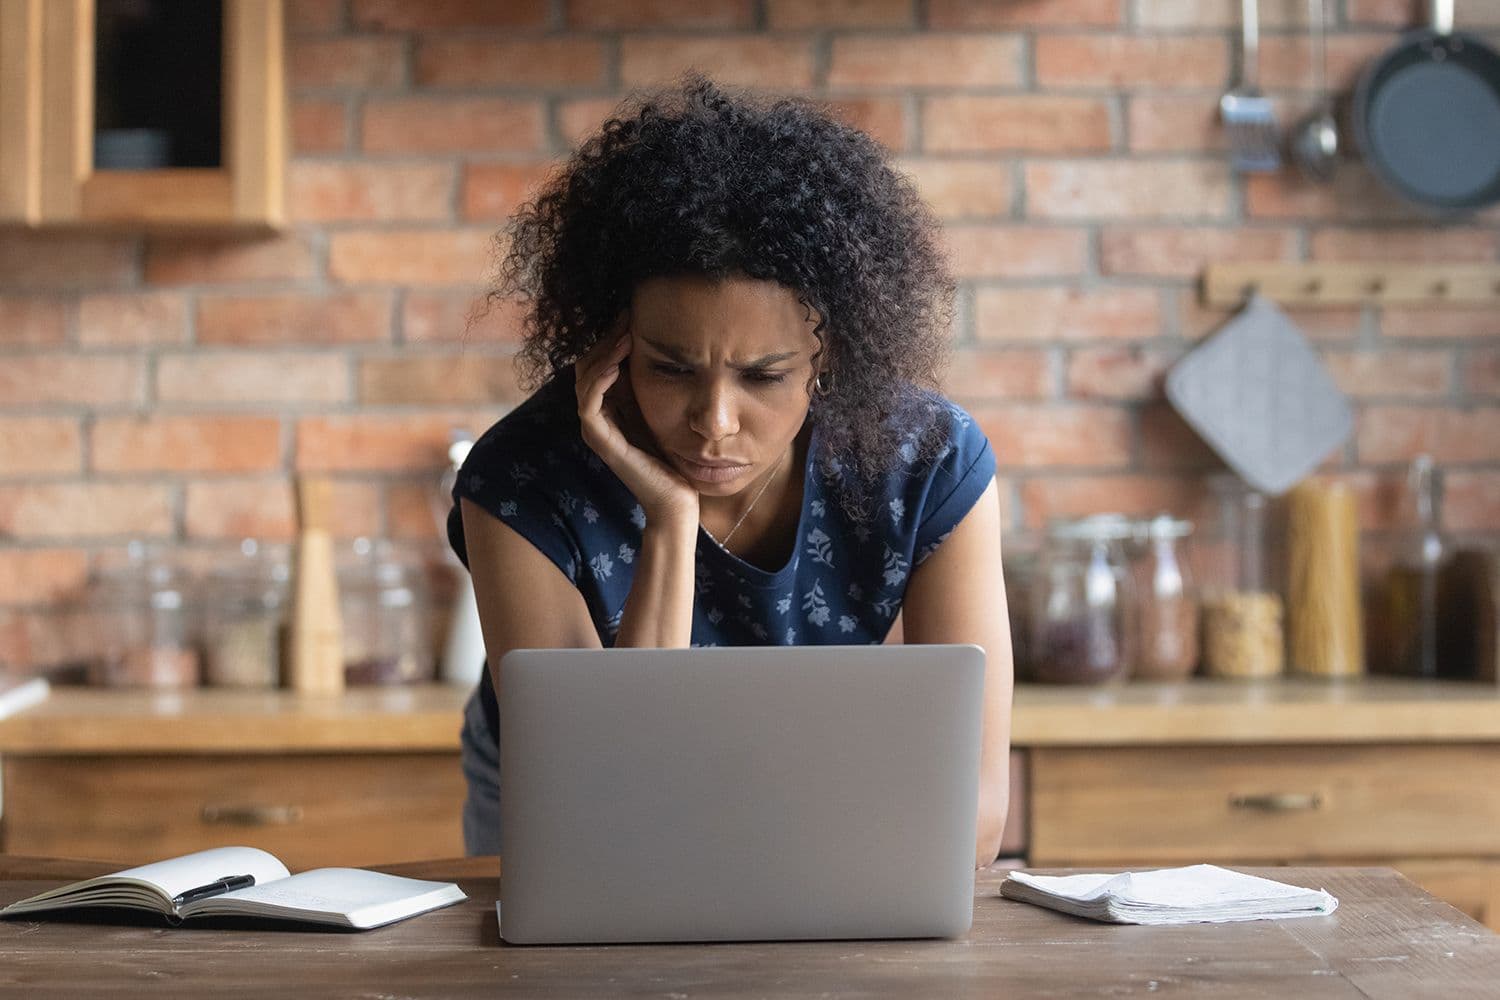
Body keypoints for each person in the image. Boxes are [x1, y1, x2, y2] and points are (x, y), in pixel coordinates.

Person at [449, 76, 1014, 868]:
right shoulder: (523, 480)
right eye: (672, 369)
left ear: (831, 357)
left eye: (764, 376)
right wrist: (670, 525)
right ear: (615, 342)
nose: (714, 422)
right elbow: (607, 799)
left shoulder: (926, 462)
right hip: (561, 789)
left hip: (822, 771)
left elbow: (978, 811)